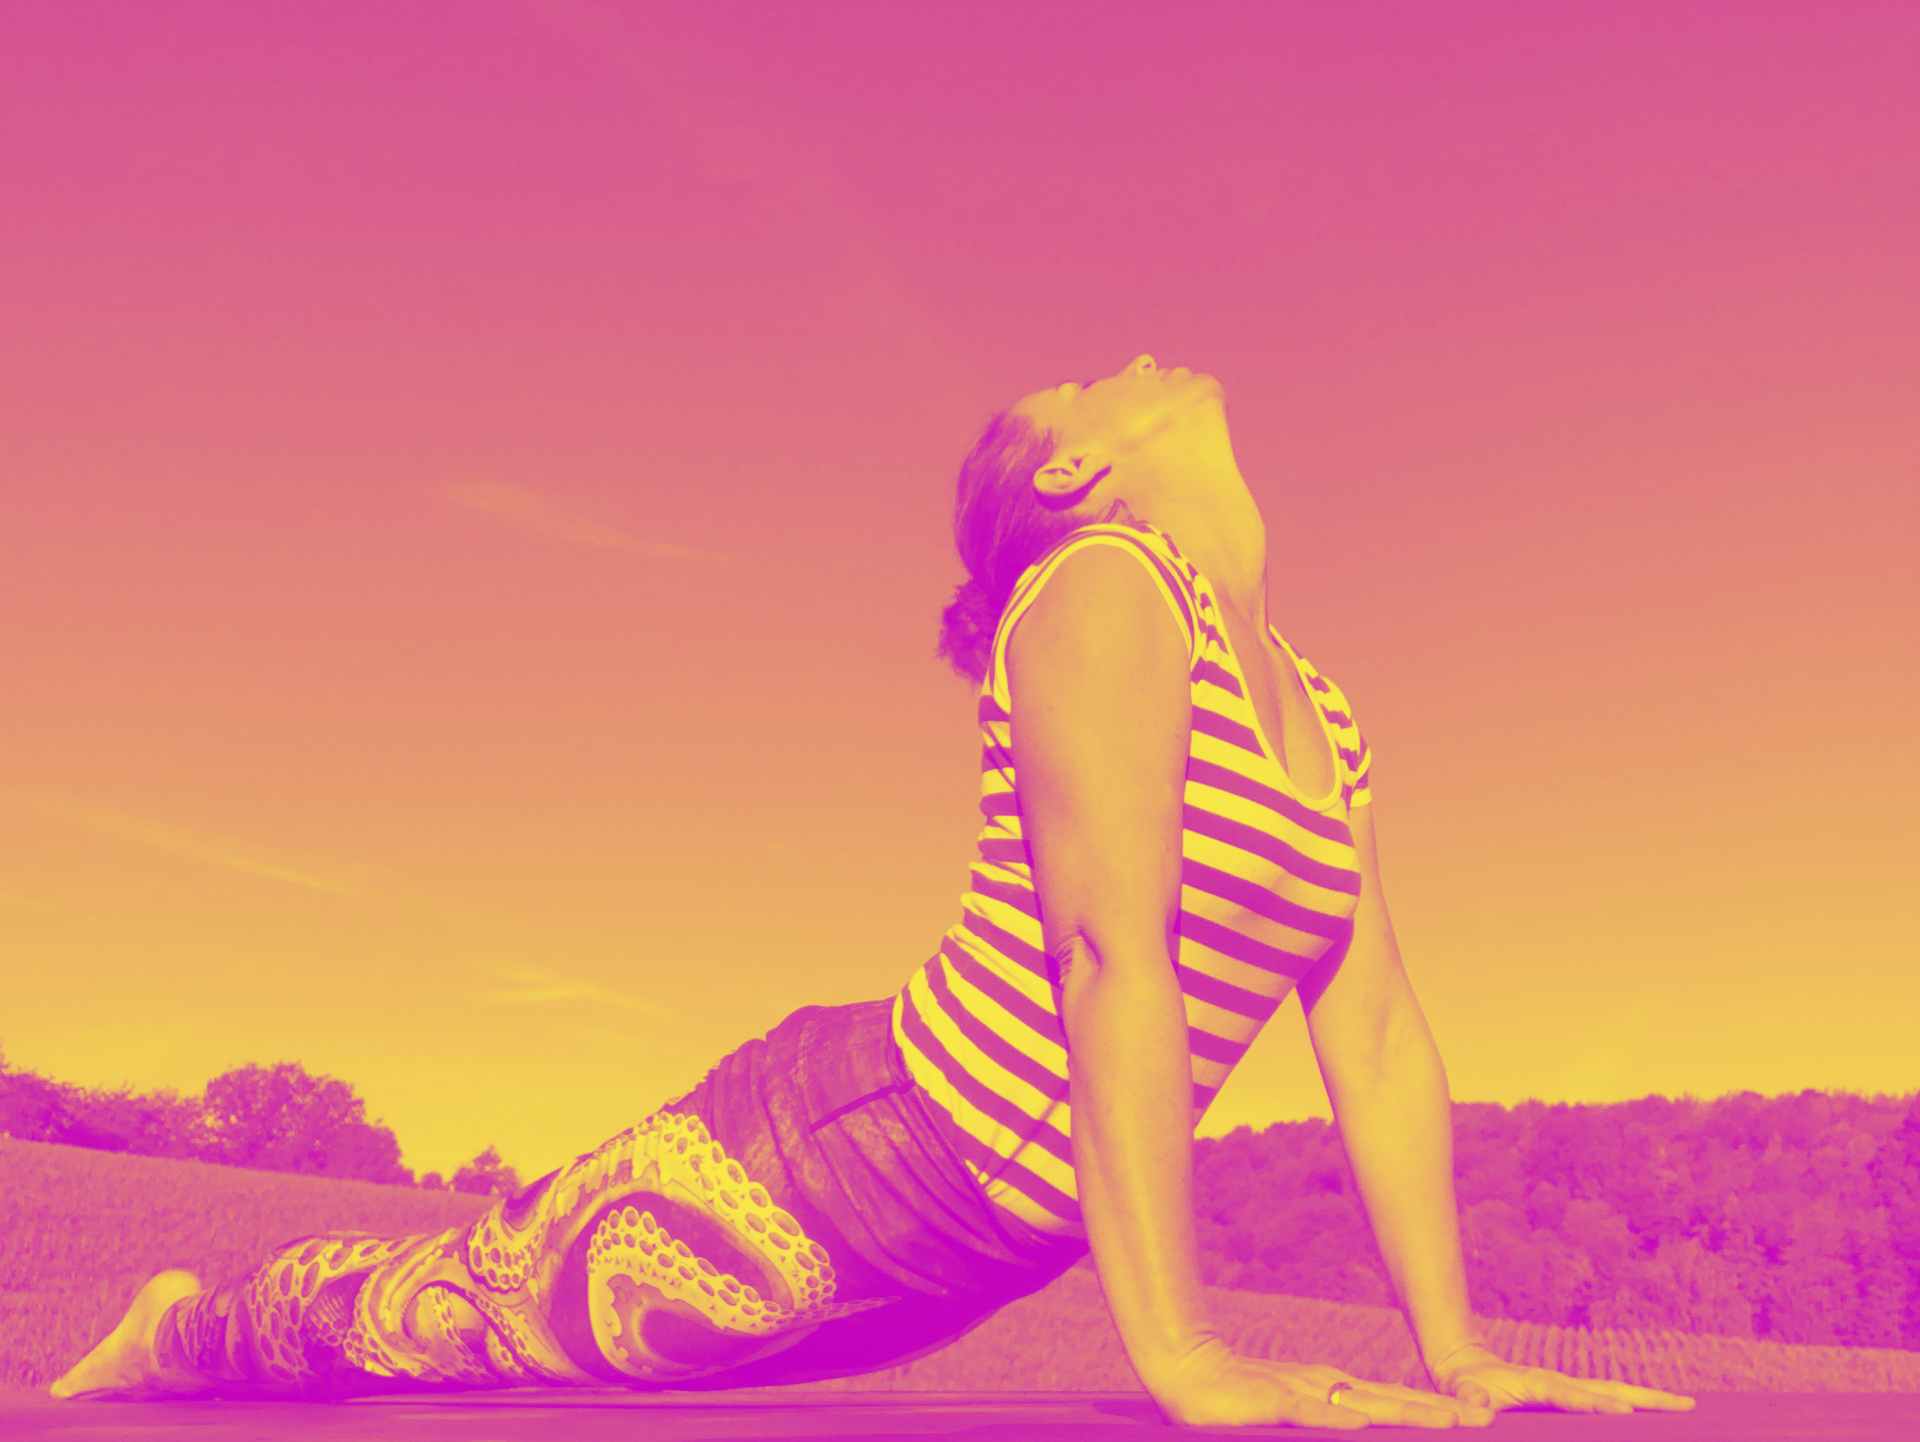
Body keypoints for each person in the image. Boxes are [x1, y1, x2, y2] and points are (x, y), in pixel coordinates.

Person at [52, 355, 1697, 1429]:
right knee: (466, 1312)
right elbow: (1107, 951)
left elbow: (1381, 1036)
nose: (1139, 360)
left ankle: (205, 1337)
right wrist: (1185, 1352)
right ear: (1075, 475)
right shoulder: (1105, 587)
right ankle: (182, 1329)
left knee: (528, 1345)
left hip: (973, 1244)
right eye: (1092, 382)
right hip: (848, 1156)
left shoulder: (1319, 705)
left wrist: (1457, 1354)